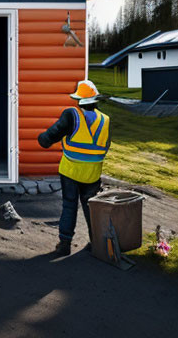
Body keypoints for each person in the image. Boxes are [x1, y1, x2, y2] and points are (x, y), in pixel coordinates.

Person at [37, 79, 110, 256]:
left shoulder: (71, 115)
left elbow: (48, 139)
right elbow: (105, 145)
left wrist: (42, 138)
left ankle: (64, 245)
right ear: (95, 100)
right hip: (92, 174)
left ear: (78, 100)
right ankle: (97, 244)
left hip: (70, 171)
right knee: (91, 207)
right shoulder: (105, 120)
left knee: (69, 206)